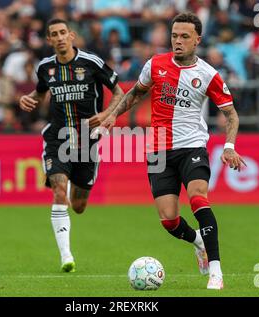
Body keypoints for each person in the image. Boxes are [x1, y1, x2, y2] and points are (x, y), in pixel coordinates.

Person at [98, 12, 246, 290]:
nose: (178, 41)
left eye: (184, 37)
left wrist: (229, 146)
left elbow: (232, 114)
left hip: (192, 146)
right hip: (158, 150)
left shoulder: (208, 74)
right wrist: (112, 115)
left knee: (198, 197)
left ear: (197, 40)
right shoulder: (155, 64)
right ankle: (198, 241)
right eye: (174, 35)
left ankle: (216, 271)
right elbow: (136, 93)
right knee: (168, 219)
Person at [19, 18, 124, 273]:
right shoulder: (45, 67)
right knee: (58, 190)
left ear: (72, 35)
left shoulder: (92, 63)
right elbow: (40, 92)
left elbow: (120, 93)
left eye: (63, 32)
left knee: (78, 206)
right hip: (57, 138)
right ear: (49, 40)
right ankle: (66, 256)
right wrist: (28, 98)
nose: (59, 37)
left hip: (88, 139)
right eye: (53, 34)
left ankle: (68, 201)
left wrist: (109, 114)